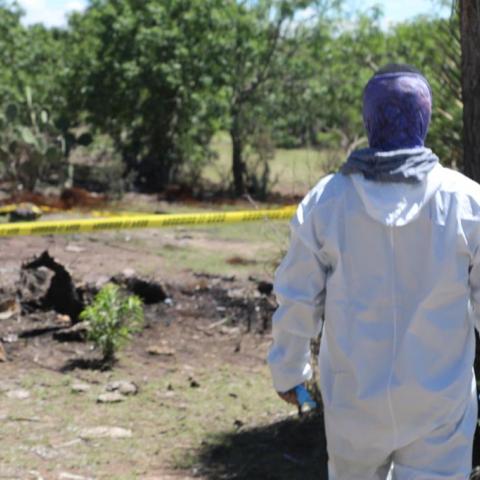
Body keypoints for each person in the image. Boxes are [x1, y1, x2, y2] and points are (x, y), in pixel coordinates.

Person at [268, 64, 480, 479]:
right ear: (426, 118)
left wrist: (288, 371)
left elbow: (296, 296)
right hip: (440, 402)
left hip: (353, 403)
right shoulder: (466, 202)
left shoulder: (327, 201)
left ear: (369, 120)